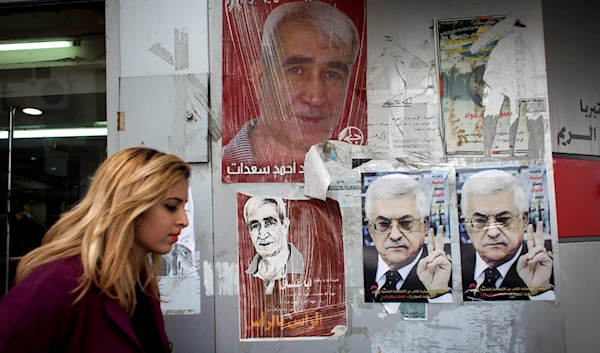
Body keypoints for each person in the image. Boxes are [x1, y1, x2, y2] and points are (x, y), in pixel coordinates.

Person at [0, 147, 191, 352]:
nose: (184, 221)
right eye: (171, 206)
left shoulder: (141, 283)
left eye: (184, 208)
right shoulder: (57, 282)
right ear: (128, 205)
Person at [223, 1, 361, 169]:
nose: (316, 98)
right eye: (296, 71)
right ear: (260, 81)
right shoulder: (220, 170)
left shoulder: (353, 173)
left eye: (332, 74)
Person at [460, 169, 555, 301]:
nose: (493, 232)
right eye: (481, 221)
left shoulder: (548, 272)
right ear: (466, 224)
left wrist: (541, 292)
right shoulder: (449, 272)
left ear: (524, 220)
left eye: (503, 220)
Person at [363, 175, 452, 303]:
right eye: (383, 224)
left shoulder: (446, 276)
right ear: (370, 228)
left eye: (406, 223)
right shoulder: (355, 273)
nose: (395, 235)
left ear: (425, 225)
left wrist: (439, 295)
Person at [243, 196, 304, 295]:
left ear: (284, 226)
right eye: (255, 226)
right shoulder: (244, 275)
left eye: (270, 223)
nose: (262, 234)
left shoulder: (307, 267)